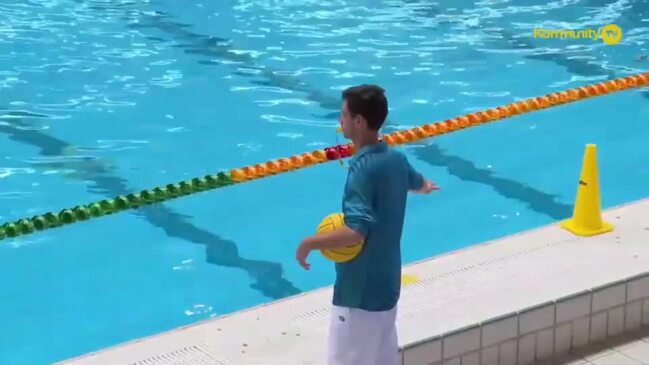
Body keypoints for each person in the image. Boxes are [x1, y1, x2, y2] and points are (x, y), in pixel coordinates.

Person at [295, 84, 439, 365]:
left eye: (344, 115)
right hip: (387, 290)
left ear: (359, 122)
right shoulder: (396, 159)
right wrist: (425, 187)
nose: (340, 121)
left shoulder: (361, 171)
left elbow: (355, 233)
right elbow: (417, 182)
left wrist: (309, 244)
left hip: (358, 297)